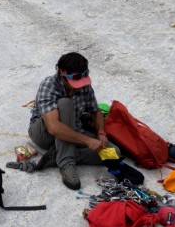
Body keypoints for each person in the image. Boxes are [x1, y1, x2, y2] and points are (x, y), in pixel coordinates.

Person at [29, 52, 119, 190]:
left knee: (114, 152)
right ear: (62, 73)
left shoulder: (84, 84)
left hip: (73, 129)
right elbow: (53, 127)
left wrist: (101, 132)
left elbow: (95, 111)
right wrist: (88, 141)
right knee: (66, 103)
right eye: (76, 79)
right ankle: (66, 163)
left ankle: (58, 155)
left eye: (84, 75)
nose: (81, 84)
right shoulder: (48, 85)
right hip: (44, 133)